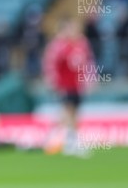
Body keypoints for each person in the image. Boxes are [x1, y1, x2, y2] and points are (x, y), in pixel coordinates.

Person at [42, 18, 94, 156]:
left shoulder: (80, 44)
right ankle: (71, 142)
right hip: (64, 84)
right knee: (69, 111)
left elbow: (87, 63)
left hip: (76, 84)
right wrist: (52, 81)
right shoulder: (58, 46)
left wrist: (89, 79)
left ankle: (57, 136)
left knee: (72, 113)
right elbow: (51, 65)